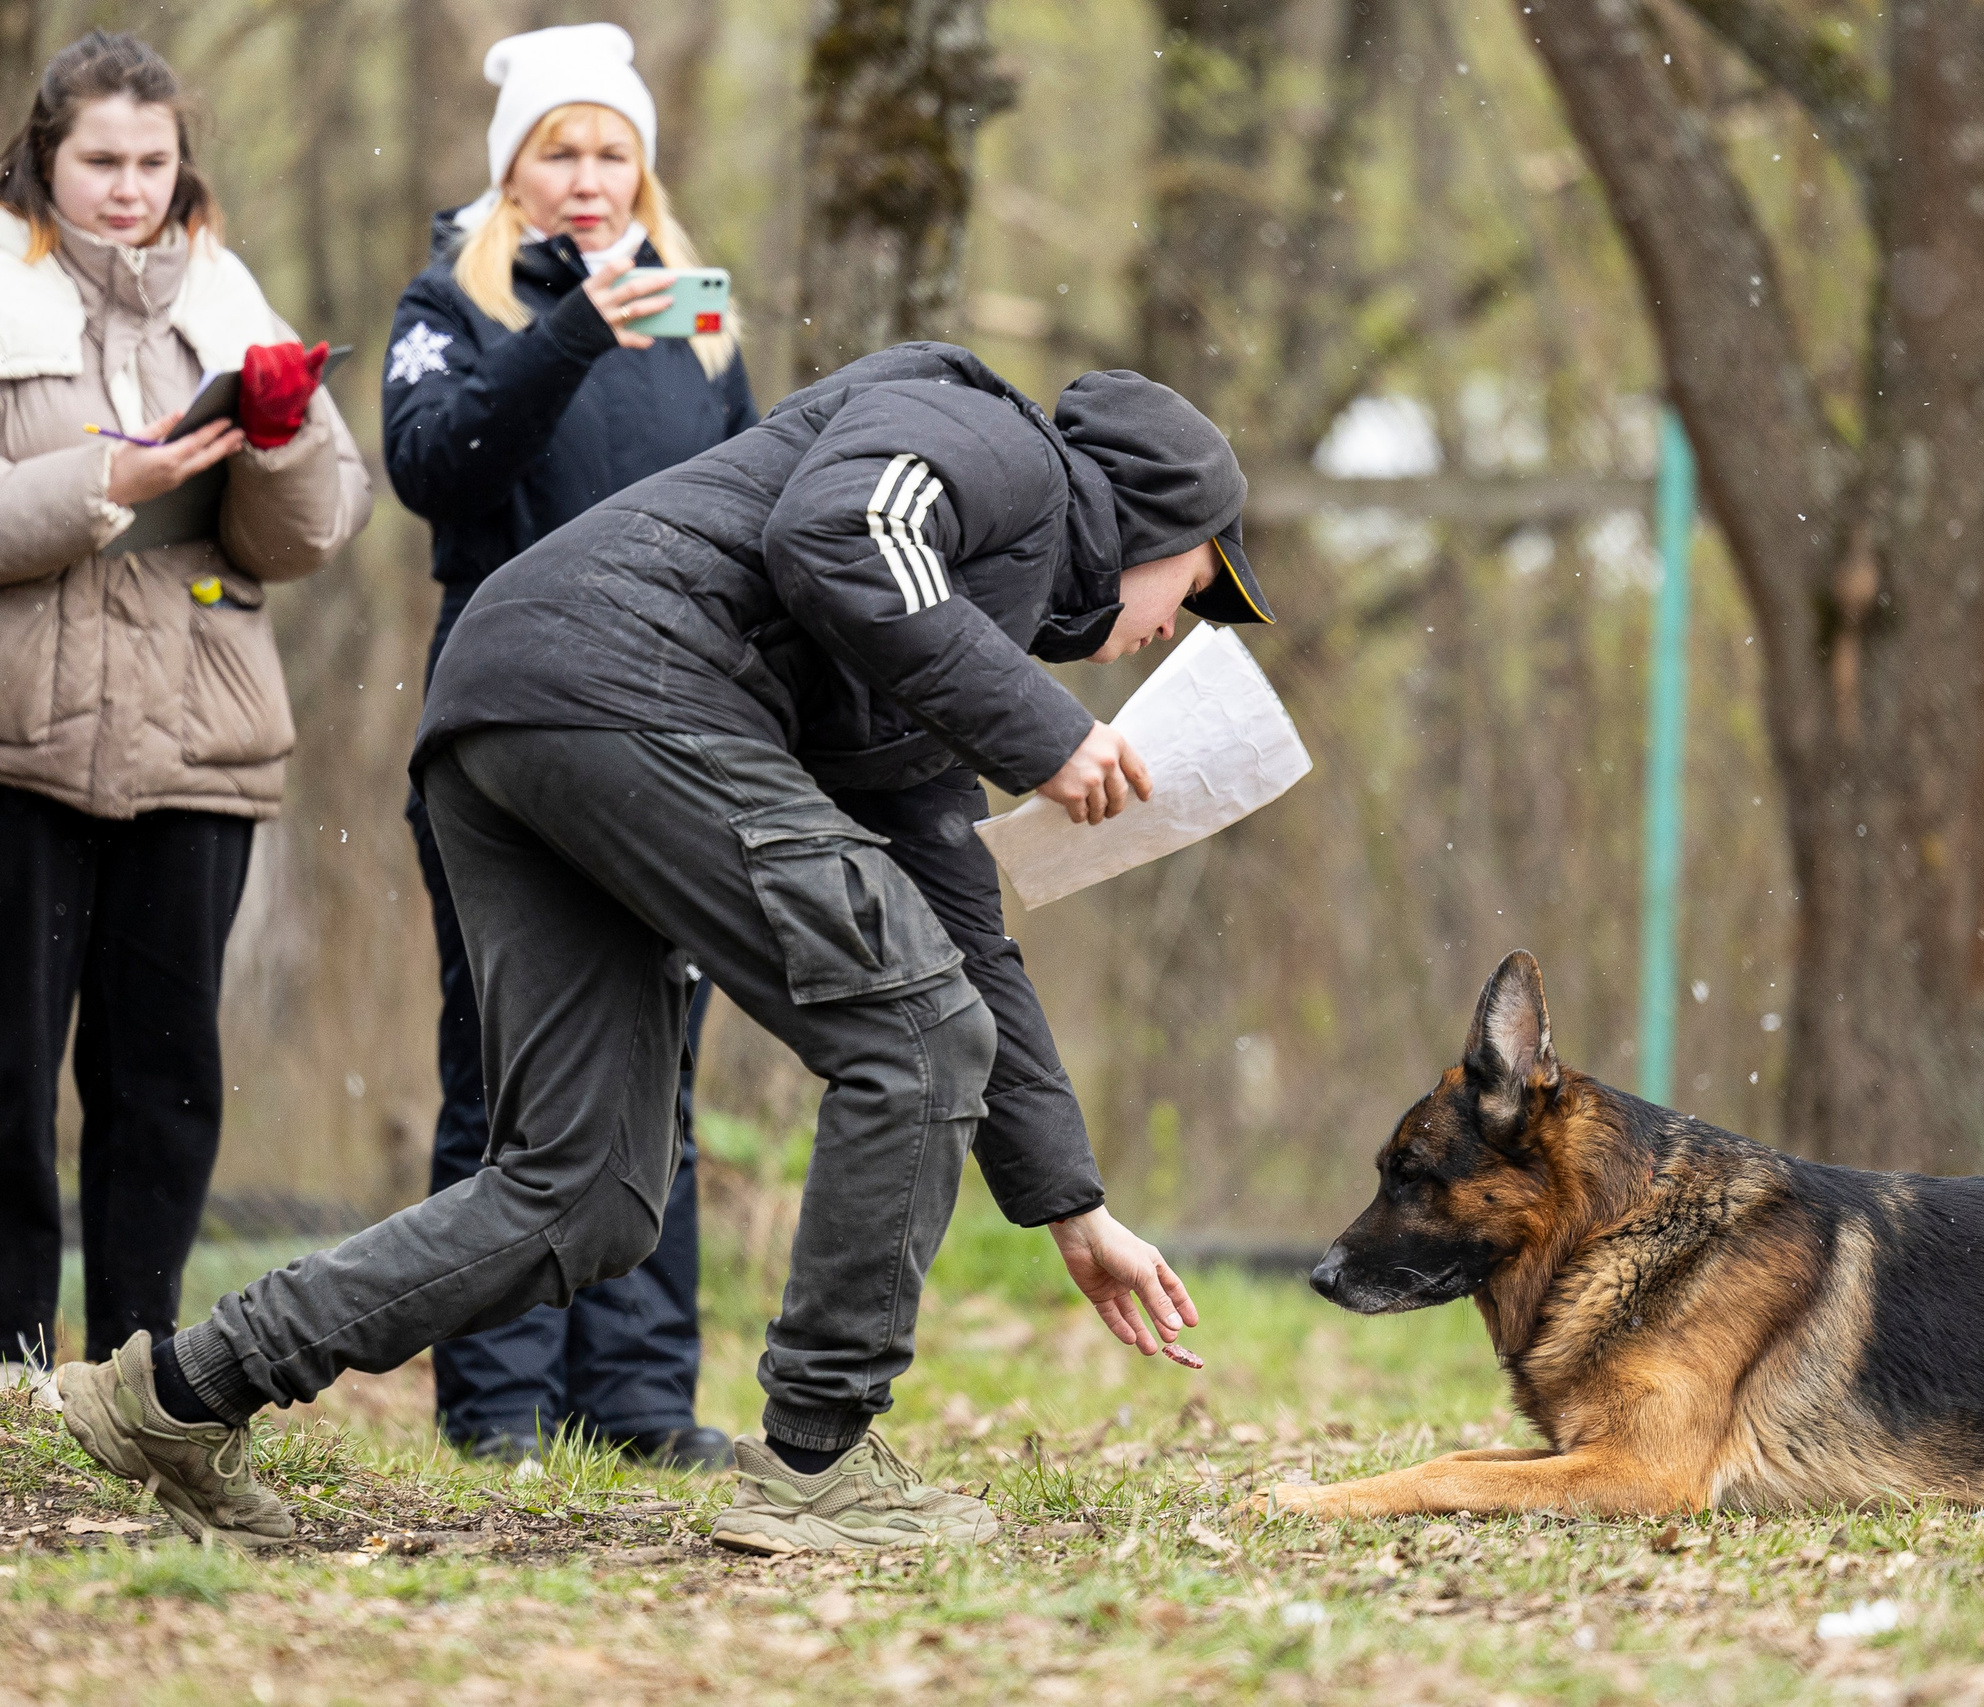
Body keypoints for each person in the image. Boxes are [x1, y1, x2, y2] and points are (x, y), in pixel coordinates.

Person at [61, 338, 1273, 1554]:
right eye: (1201, 585)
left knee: (586, 1195)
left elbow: (969, 944)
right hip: (617, 681)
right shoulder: (1006, 453)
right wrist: (1043, 731)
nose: (1180, 627)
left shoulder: (942, 658)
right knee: (907, 1032)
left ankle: (181, 1392)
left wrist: (1073, 1205)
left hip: (516, 715)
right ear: (1145, 518)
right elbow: (842, 534)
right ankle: (817, 1459)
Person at [383, 23, 756, 1471]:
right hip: (505, 739)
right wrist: (573, 329)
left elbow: (753, 507)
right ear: (515, 172)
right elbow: (434, 464)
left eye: (613, 151)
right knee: (508, 1074)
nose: (590, 176)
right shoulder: (452, 303)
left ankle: (641, 1401)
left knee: (658, 1070)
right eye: (561, 150)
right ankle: (497, 1409)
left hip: (680, 735)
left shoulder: (700, 325)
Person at [0, 31, 370, 1403]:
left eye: (153, 162)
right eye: (100, 160)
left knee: (164, 1079)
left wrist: (276, 436)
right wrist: (110, 478)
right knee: (7, 1073)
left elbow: (312, 534)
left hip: (198, 742)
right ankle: (13, 1365)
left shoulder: (231, 299)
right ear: (46, 159)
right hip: (18, 733)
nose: (128, 188)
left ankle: (143, 1377)